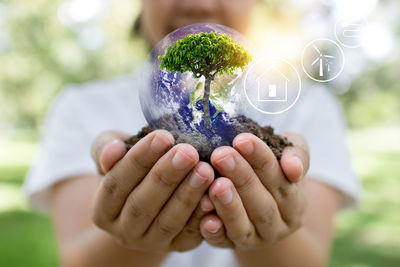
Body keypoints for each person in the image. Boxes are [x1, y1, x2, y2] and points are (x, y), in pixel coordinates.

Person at [24, 0, 360, 266]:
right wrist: (135, 237)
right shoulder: (80, 106)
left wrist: (272, 227)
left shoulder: (308, 106)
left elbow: (310, 261)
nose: (199, 4)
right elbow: (77, 261)